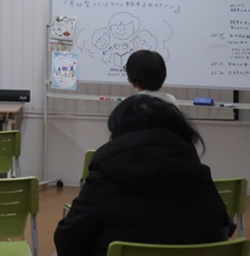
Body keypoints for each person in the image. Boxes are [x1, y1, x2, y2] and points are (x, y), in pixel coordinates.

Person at [54, 95, 234, 256]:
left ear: (118, 132)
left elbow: (68, 241)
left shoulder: (104, 178)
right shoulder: (200, 176)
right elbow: (223, 230)